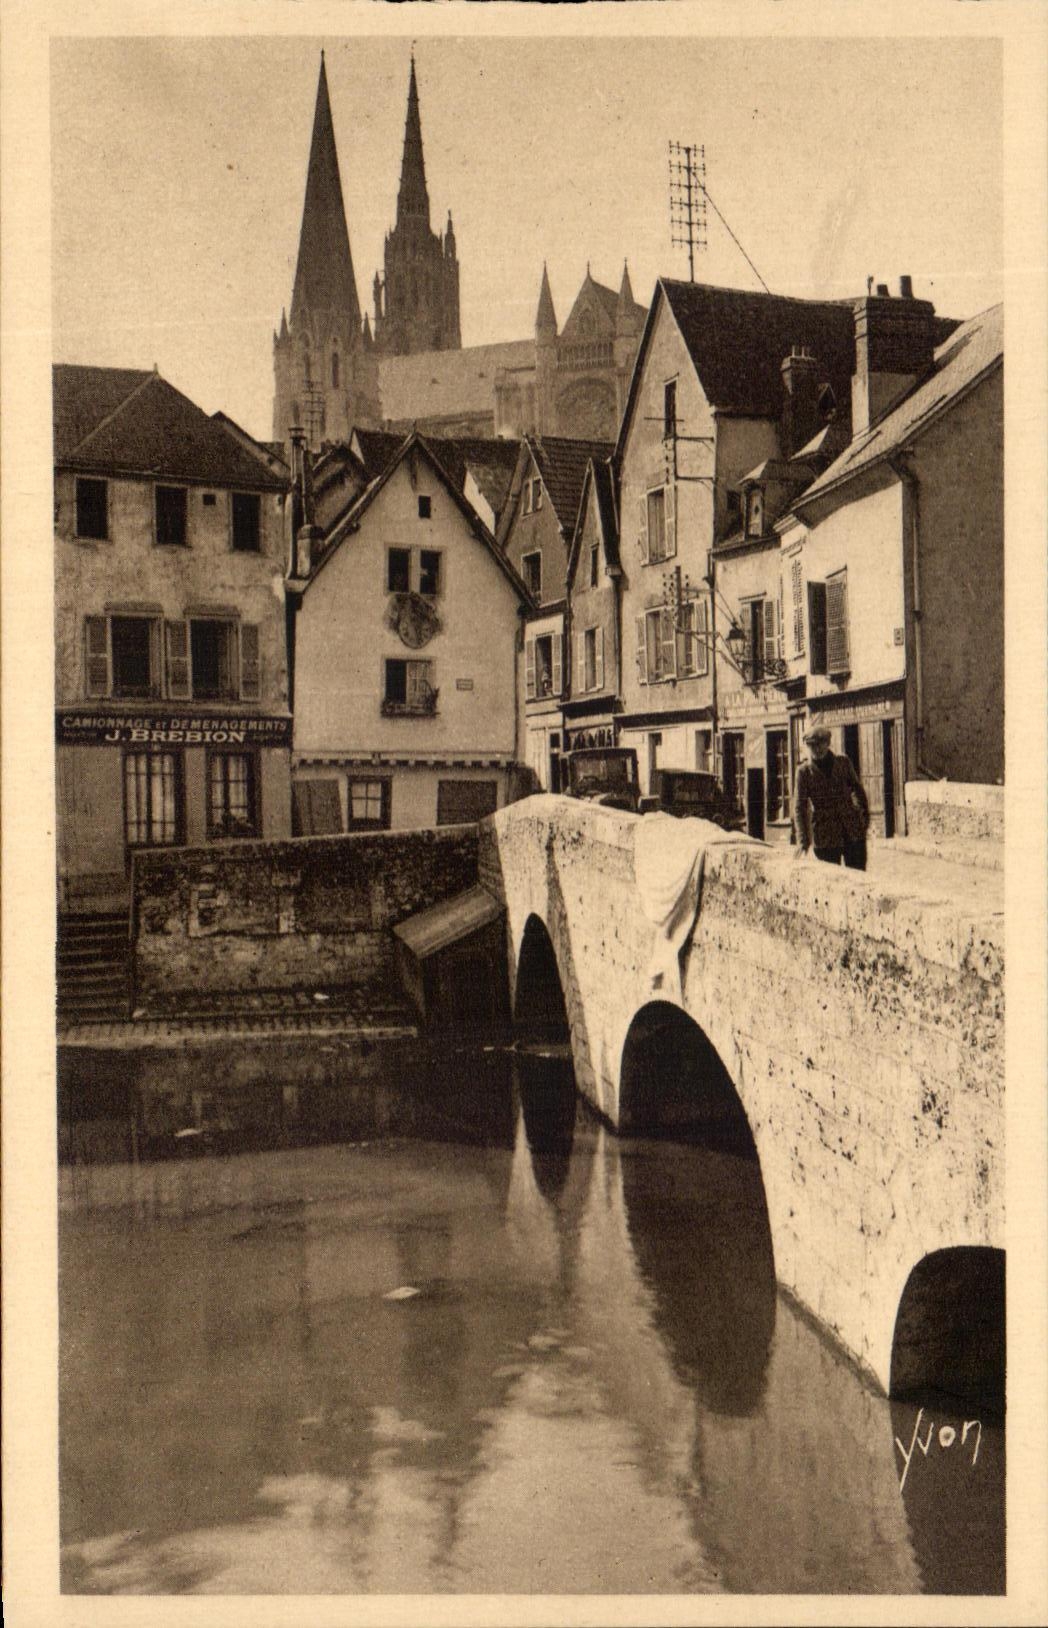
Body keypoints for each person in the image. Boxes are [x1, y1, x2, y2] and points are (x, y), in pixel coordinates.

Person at [792, 726, 870, 869]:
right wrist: (802, 839)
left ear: (828, 743)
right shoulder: (803, 772)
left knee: (858, 879)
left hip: (852, 830)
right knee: (831, 881)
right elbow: (799, 807)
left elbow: (857, 790)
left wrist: (863, 819)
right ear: (807, 747)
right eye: (812, 745)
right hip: (825, 836)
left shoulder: (843, 763)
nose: (817, 749)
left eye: (821, 744)